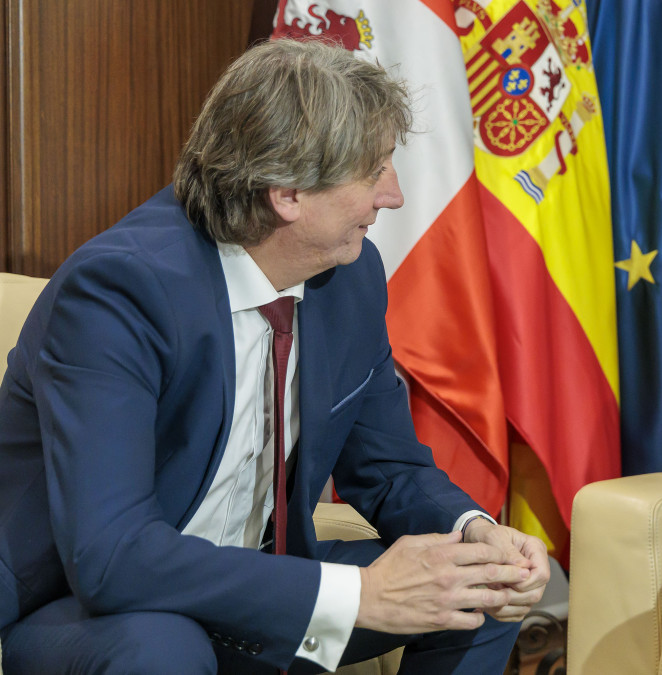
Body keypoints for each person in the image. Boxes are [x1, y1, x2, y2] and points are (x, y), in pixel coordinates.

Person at [0, 38, 549, 674]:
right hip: (87, 609)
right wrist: (361, 595)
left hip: (255, 588)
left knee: (478, 594)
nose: (393, 195)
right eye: (374, 171)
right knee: (161, 648)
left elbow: (388, 467)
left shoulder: (350, 273)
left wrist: (473, 531)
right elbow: (112, 557)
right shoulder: (119, 291)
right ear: (286, 193)